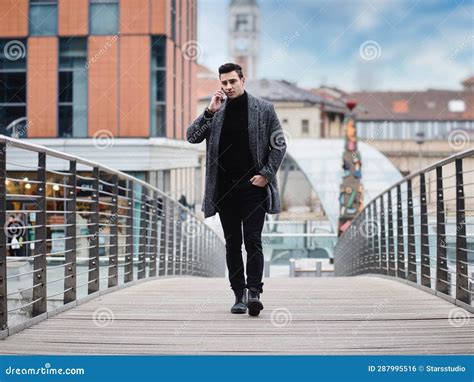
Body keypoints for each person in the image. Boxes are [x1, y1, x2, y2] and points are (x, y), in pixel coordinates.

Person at [186, 63, 286, 316]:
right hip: (224, 191)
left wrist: (265, 175)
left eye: (232, 82)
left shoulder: (264, 109)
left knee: (253, 241)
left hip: (253, 188)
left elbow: (279, 145)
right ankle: (238, 295)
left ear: (243, 80)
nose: (228, 87)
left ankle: (254, 292)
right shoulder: (216, 111)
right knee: (232, 244)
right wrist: (209, 111)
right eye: (224, 83)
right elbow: (192, 137)